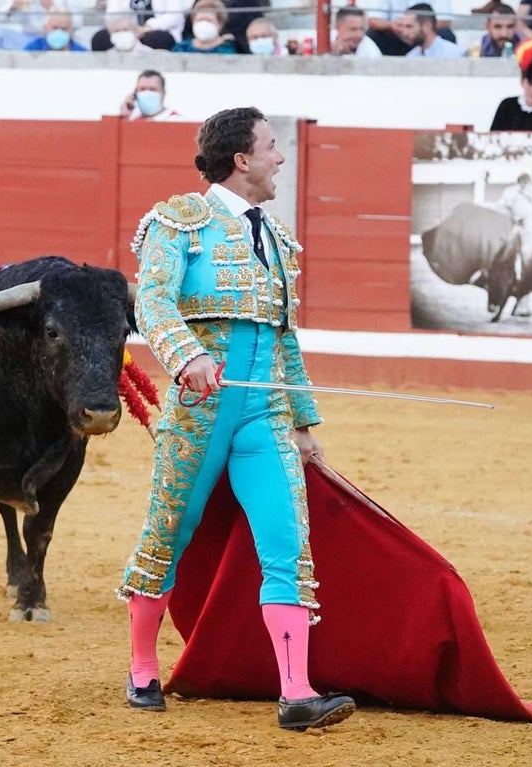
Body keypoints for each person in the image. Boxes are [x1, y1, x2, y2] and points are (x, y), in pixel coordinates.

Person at [119, 106, 356, 732]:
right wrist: (187, 355)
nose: (281, 158)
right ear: (242, 159)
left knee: (287, 543)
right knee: (168, 530)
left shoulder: (275, 238)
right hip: (200, 410)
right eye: (273, 147)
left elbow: (284, 339)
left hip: (264, 411)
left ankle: (297, 693)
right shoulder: (180, 221)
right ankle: (143, 666)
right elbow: (152, 300)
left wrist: (303, 421)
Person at [395, 2, 465, 56]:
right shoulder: (411, 56)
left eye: (409, 26)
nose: (405, 33)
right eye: (403, 26)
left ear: (427, 26)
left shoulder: (452, 54)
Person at [172, 0, 237, 53]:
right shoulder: (182, 48)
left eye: (209, 20)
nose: (204, 23)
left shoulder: (226, 50)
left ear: (220, 24)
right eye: (200, 20)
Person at [23, 10, 88, 50]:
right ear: (45, 28)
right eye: (55, 28)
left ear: (72, 31)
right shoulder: (33, 49)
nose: (59, 32)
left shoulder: (81, 53)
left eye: (64, 29)